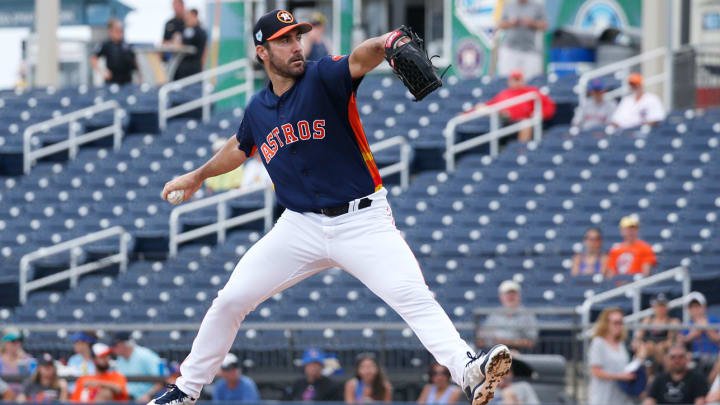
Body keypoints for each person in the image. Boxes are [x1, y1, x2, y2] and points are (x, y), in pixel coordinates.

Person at [149, 9, 511, 405]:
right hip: (299, 227)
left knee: (412, 294)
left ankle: (467, 370)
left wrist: (387, 41)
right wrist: (198, 176)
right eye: (284, 40)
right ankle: (186, 389)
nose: (295, 46)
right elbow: (239, 148)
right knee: (231, 300)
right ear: (262, 52)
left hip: (363, 219)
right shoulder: (257, 109)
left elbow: (361, 57)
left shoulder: (323, 78)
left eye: (297, 37)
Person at [468, 70, 555, 143]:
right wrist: (467, 113)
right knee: (482, 107)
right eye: (514, 79)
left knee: (526, 124)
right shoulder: (504, 93)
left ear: (522, 80)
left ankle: (521, 151)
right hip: (504, 120)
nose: (516, 82)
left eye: (518, 79)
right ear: (509, 81)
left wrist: (540, 113)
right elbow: (490, 104)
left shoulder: (531, 91)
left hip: (522, 120)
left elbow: (549, 106)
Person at [588, 308, 640, 405]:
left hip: (622, 399)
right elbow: (596, 371)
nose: (619, 326)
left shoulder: (621, 344)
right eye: (616, 323)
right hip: (603, 399)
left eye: (621, 323)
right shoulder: (598, 342)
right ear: (606, 324)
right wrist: (619, 376)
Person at [477, 280, 538, 352]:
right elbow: (480, 339)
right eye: (507, 294)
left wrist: (504, 342)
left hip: (520, 354)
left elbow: (532, 342)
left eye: (513, 293)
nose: (510, 296)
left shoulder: (527, 315)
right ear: (501, 297)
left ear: (519, 296)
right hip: (497, 354)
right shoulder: (494, 314)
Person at [496, 0, 547, 79]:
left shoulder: (537, 6)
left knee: (530, 81)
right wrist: (511, 23)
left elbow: (545, 25)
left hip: (530, 50)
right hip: (510, 49)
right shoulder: (508, 5)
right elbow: (500, 24)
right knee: (507, 79)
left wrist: (531, 23)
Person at [644, 344, 708, 405]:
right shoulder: (659, 379)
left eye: (681, 357)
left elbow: (700, 401)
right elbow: (649, 400)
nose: (677, 360)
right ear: (667, 359)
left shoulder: (698, 378)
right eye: (673, 357)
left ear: (687, 359)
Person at [633, 294, 681, 370]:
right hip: (648, 348)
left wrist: (658, 346)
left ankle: (662, 371)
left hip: (664, 349)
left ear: (667, 307)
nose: (660, 308)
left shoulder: (672, 321)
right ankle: (635, 371)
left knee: (659, 348)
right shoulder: (647, 320)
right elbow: (638, 338)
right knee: (644, 348)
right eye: (658, 306)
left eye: (663, 306)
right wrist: (640, 344)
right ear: (653, 307)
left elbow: (671, 341)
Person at [111, 331, 162, 402]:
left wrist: (149, 395)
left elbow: (162, 380)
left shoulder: (145, 355)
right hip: (126, 399)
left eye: (115, 345)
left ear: (124, 344)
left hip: (146, 399)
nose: (113, 348)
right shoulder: (120, 359)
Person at [91, 19, 138, 85]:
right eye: (117, 31)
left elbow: (135, 62)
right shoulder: (106, 45)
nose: (119, 33)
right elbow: (93, 59)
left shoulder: (127, 45)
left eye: (121, 31)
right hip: (112, 81)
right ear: (111, 31)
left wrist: (139, 76)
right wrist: (103, 72)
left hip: (127, 81)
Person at [681, 292, 720, 363]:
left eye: (697, 306)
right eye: (691, 307)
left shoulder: (715, 320)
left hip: (715, 356)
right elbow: (680, 341)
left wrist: (707, 328)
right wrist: (693, 334)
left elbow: (718, 338)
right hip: (695, 358)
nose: (695, 309)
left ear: (704, 307)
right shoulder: (687, 324)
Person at [0, 328, 36, 396]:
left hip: (24, 396)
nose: (17, 343)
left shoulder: (28, 359)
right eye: (13, 341)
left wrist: (23, 361)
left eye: (19, 340)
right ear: (5, 342)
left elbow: (35, 377)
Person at [173, 9, 207, 80]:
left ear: (194, 16)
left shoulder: (194, 31)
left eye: (188, 16)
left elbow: (183, 46)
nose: (186, 19)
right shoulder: (198, 31)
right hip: (192, 68)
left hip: (190, 69)